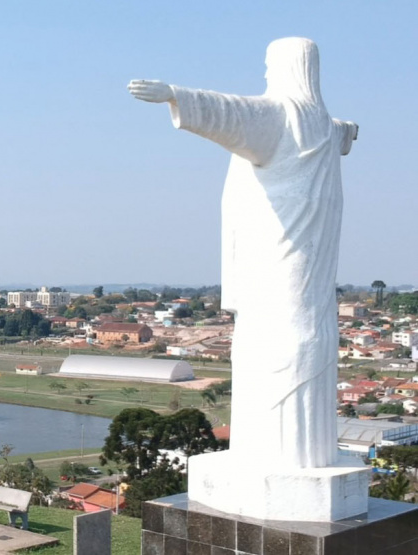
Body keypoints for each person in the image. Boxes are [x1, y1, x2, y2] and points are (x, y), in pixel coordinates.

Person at [129, 37, 357, 469]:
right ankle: (305, 450)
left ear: (285, 67)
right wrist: (350, 130)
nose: (266, 74)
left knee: (270, 343)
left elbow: (230, 112)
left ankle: (275, 455)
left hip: (274, 258)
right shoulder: (324, 127)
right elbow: (345, 131)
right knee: (303, 335)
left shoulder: (281, 115)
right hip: (311, 267)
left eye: (270, 66)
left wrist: (176, 95)